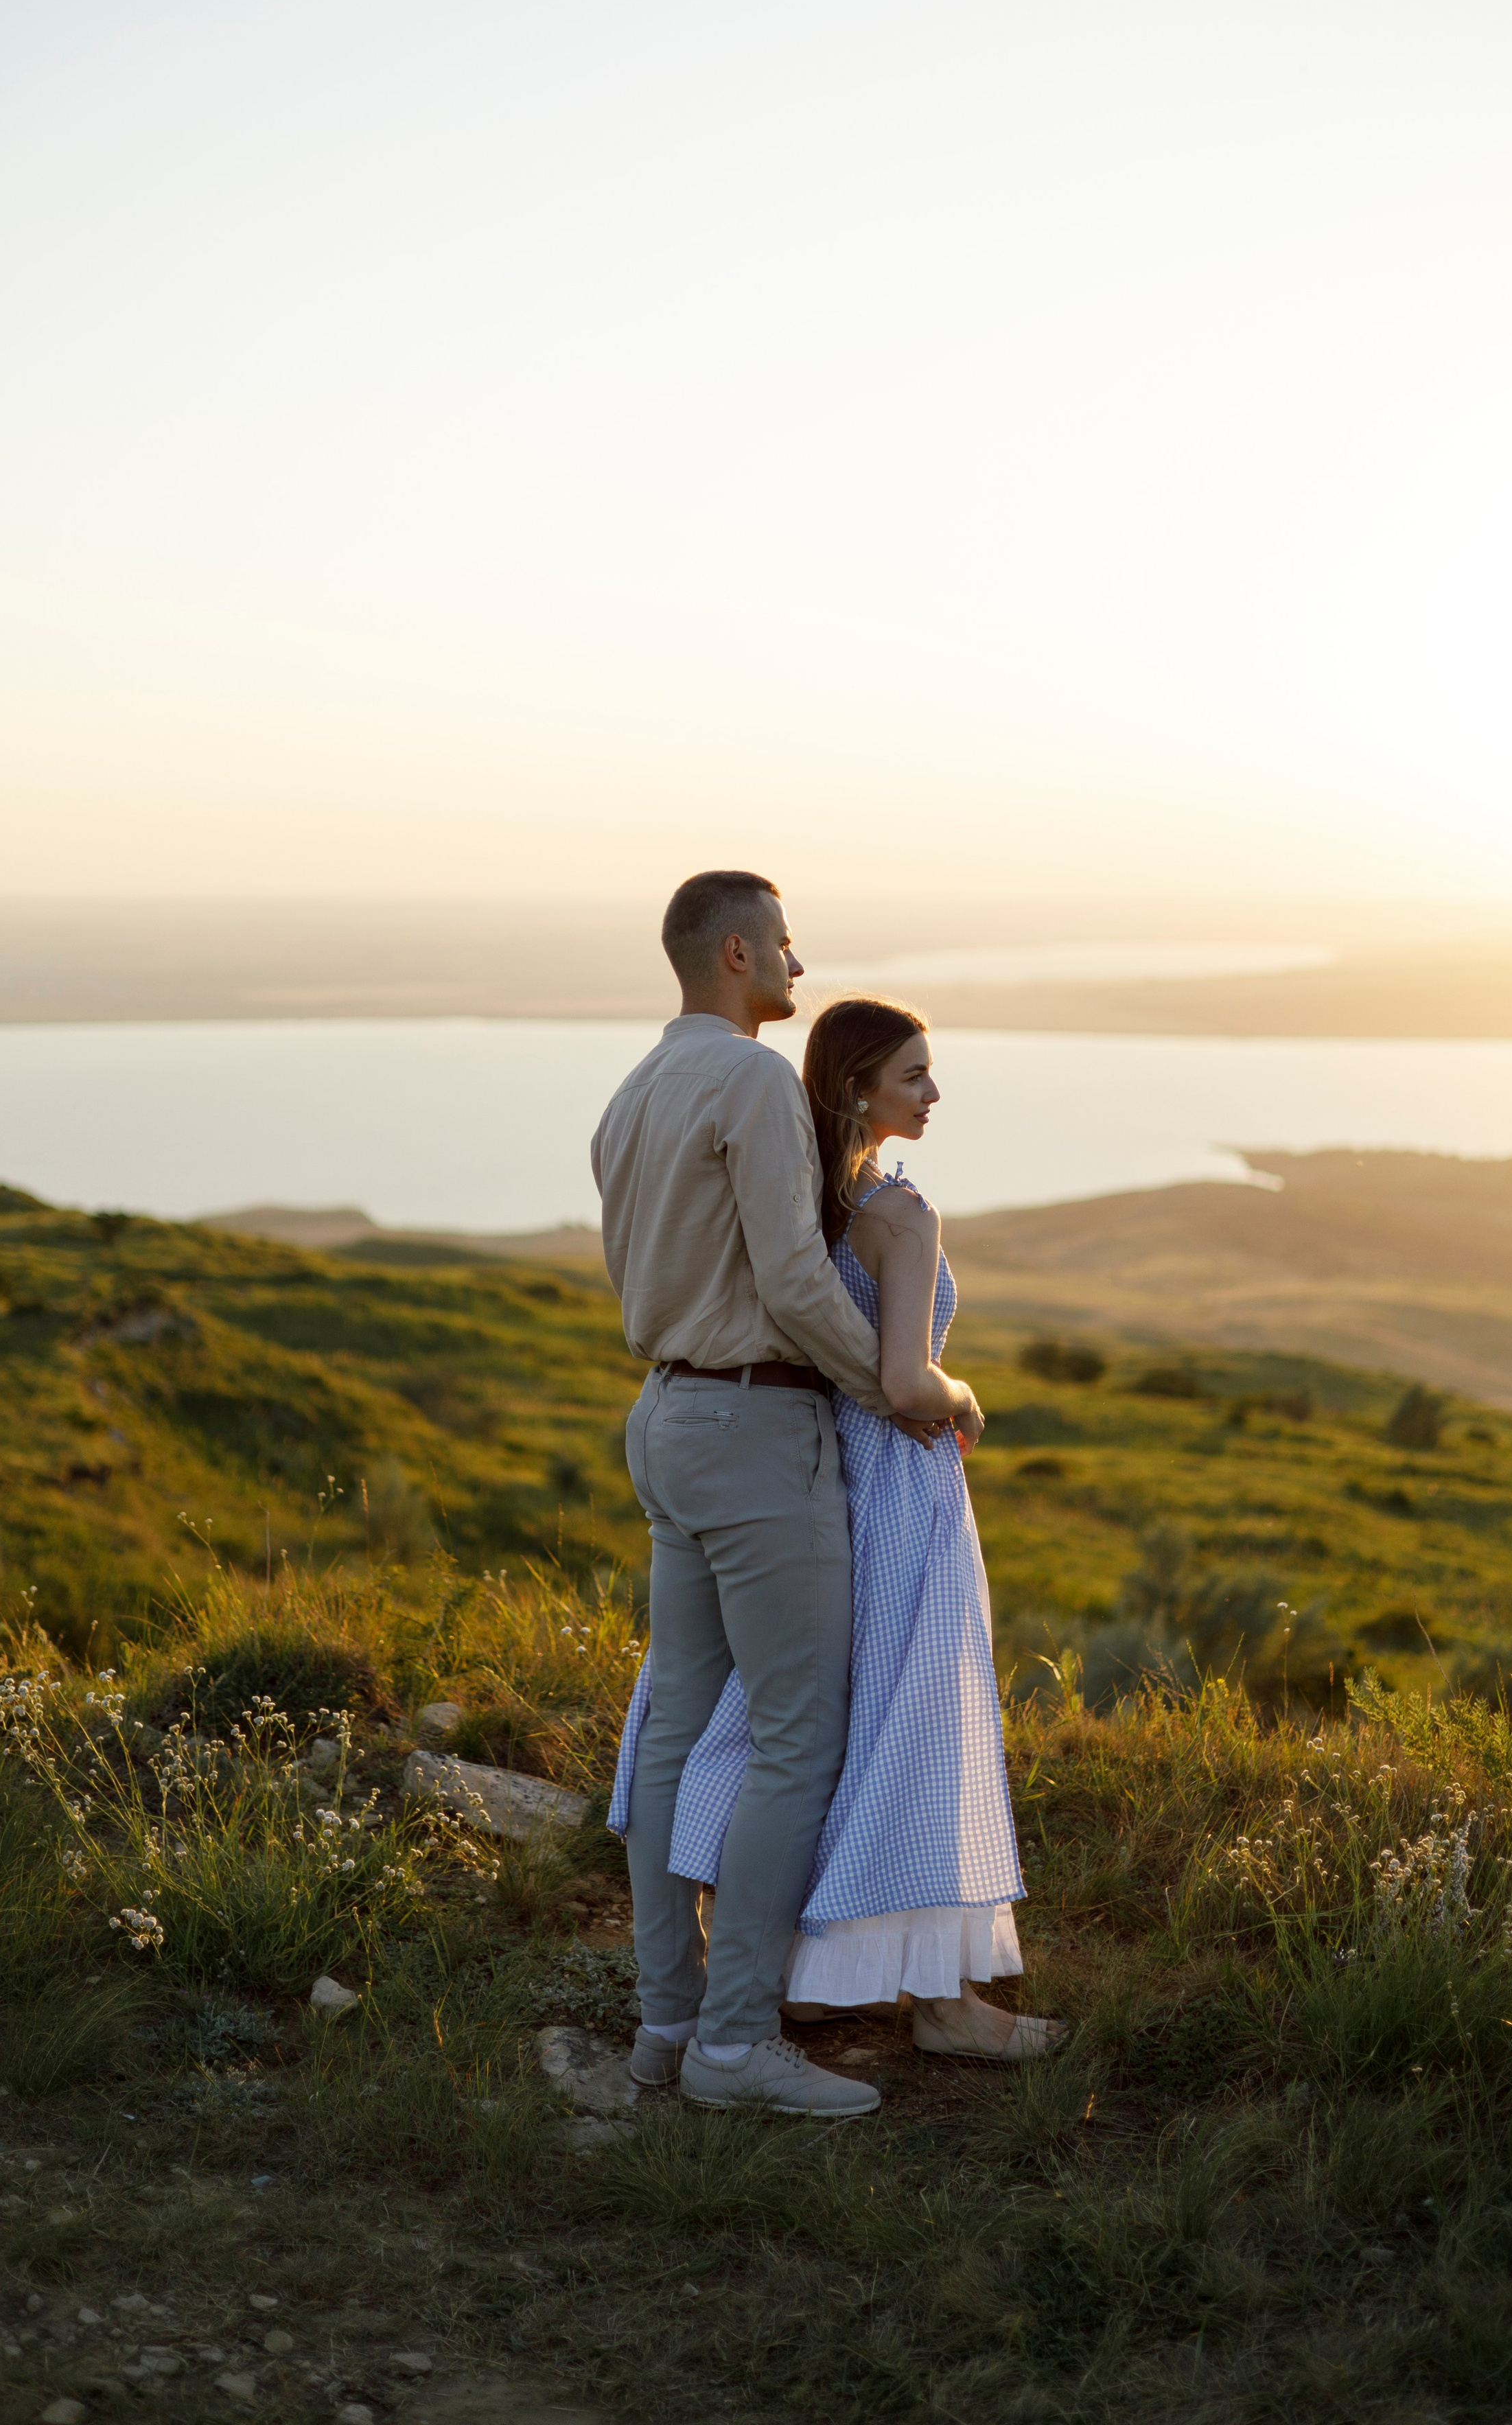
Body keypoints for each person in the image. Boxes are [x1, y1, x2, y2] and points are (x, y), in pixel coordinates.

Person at [612, 995, 1066, 2063]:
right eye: (914, 1075)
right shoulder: (900, 1215)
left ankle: (805, 1978)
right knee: (915, 1722)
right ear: (860, 1086)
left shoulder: (815, 1204)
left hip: (820, 1470)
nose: (933, 1093)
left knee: (788, 1718)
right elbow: (906, 1379)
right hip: (899, 1484)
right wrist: (958, 1398)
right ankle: (944, 2003)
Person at [592, 871, 894, 2117]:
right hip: (755, 1424)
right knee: (793, 1736)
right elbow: (793, 1283)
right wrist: (902, 1389)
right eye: (781, 943)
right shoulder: (756, 1081)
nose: (797, 963)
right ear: (733, 953)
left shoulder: (631, 1093)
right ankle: (735, 2043)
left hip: (665, 1415)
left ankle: (669, 2023)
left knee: (673, 1726)